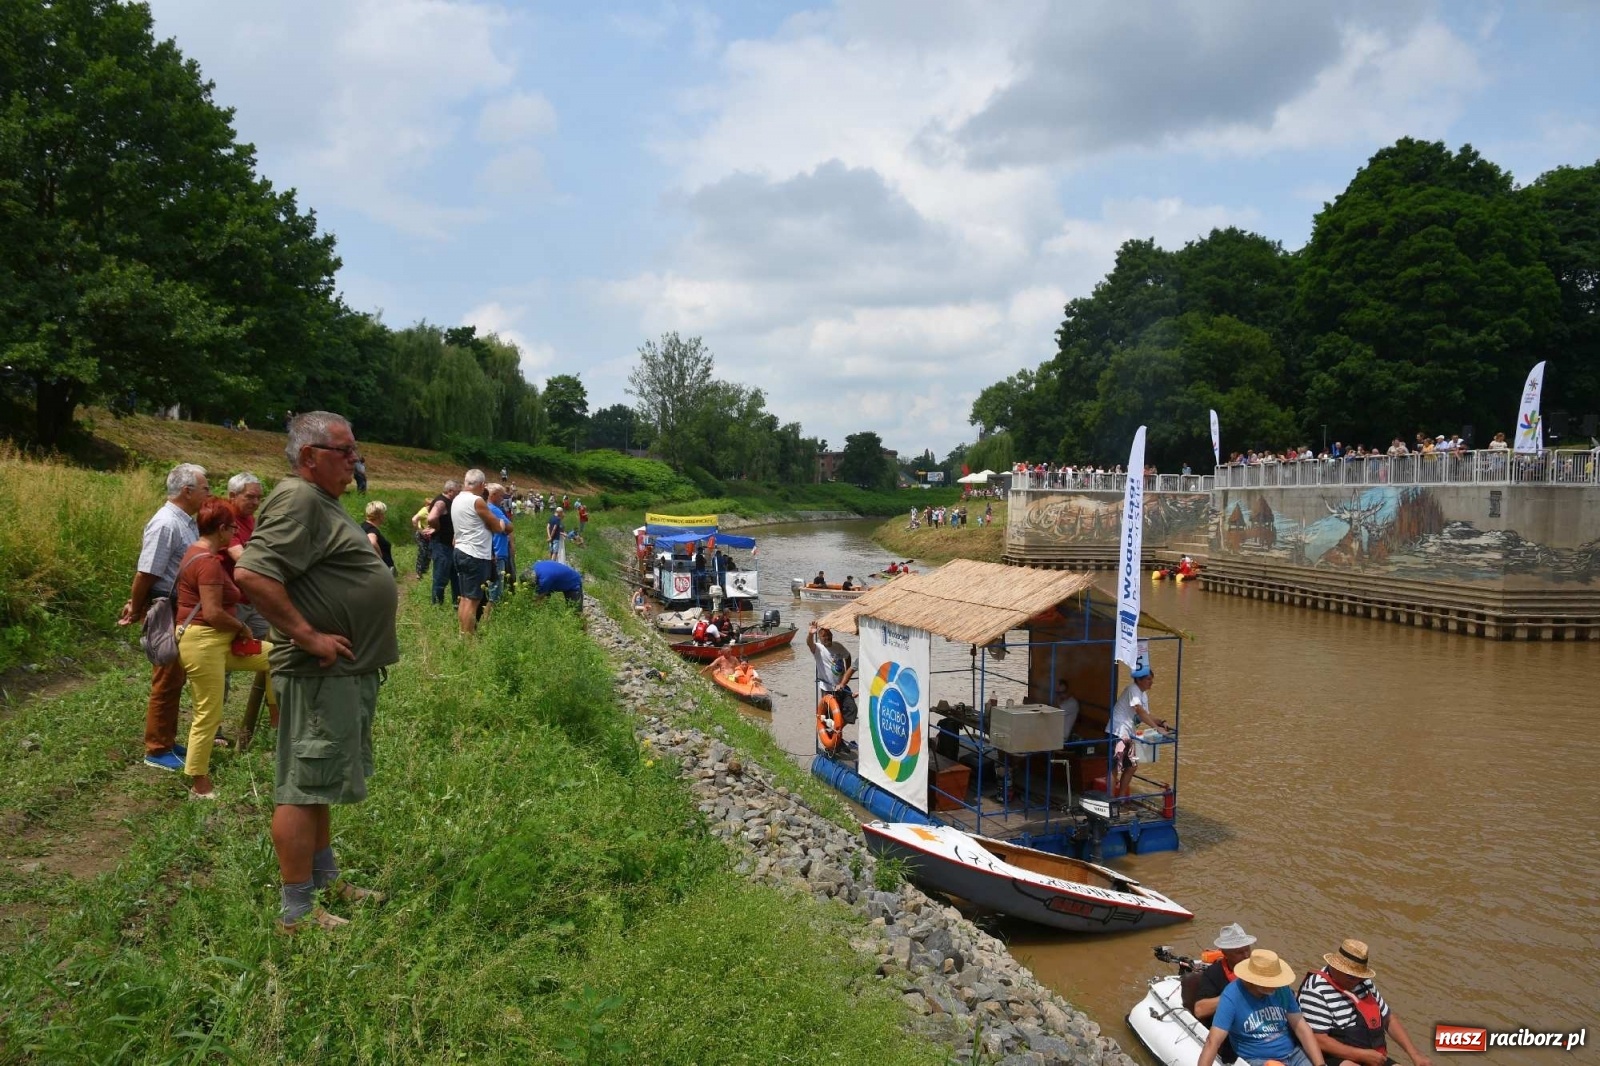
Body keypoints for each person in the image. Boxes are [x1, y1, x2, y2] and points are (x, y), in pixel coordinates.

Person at [236, 412, 398, 933]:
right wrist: (308, 635)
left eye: (356, 450)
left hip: (340, 677)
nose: (356, 460)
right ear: (310, 457)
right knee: (301, 787)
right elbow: (253, 573)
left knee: (320, 784)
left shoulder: (321, 502)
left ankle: (325, 879)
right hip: (317, 674)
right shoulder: (299, 498)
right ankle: (298, 911)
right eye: (345, 451)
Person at [175, 499, 277, 800]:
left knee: (275, 656)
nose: (236, 532)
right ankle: (198, 780)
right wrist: (242, 628)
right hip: (204, 641)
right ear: (221, 529)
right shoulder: (206, 562)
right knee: (208, 711)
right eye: (233, 528)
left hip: (216, 641)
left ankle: (277, 721)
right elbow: (214, 612)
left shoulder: (203, 554)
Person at [119, 463, 209, 772]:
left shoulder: (186, 522)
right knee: (166, 678)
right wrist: (135, 605)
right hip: (167, 608)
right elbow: (147, 572)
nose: (208, 493)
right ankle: (156, 749)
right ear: (187, 491)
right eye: (205, 488)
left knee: (176, 677)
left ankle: (168, 741)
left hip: (182, 608)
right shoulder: (165, 524)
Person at [1298, 939, 1433, 1066]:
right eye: (1351, 976)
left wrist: (1415, 1054)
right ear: (1336, 967)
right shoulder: (1316, 989)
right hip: (1334, 1056)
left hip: (1369, 1053)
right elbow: (1319, 1040)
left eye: (1360, 976)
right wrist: (1361, 1055)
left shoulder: (1364, 984)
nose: (1356, 981)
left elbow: (1388, 1019)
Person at [1196, 949, 1328, 1066]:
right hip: (1258, 1059)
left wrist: (1320, 1064)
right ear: (1252, 979)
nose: (1274, 986)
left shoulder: (1281, 989)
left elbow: (1301, 1028)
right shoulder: (1232, 996)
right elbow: (1213, 1041)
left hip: (1293, 1054)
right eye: (1269, 982)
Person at [225, 472, 273, 747]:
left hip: (251, 600)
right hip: (232, 603)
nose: (255, 501)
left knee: (275, 640)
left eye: (258, 497)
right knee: (223, 663)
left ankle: (273, 707)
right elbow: (240, 558)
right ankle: (216, 729)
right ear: (233, 496)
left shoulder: (250, 520)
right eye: (249, 497)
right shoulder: (226, 521)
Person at [1186, 924, 1260, 1064]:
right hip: (1230, 1035)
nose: (1246, 956)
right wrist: (1236, 992)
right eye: (1239, 952)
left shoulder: (1256, 968)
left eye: (1247, 949)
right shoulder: (1214, 973)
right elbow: (1200, 1010)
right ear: (1225, 953)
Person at [450, 469, 510, 635]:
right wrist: (502, 524)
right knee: (473, 600)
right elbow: (498, 527)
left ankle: (463, 633)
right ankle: (468, 639)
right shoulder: (477, 501)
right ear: (482, 485)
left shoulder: (457, 499)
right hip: (475, 554)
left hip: (460, 550)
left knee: (464, 597)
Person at [1108, 662, 1171, 798]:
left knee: (1132, 766)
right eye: (1148, 679)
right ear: (1139, 680)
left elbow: (1145, 715)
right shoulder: (1133, 690)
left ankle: (1122, 799)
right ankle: (1109, 801)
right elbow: (1139, 711)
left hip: (1127, 733)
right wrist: (1157, 728)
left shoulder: (1143, 695)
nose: (1151, 682)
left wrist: (1161, 722)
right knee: (1114, 768)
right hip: (1117, 732)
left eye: (1151, 679)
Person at [425, 480, 461, 606]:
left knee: (455, 576)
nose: (459, 493)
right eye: (457, 491)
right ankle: (436, 605)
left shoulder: (450, 502)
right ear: (450, 491)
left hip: (450, 545)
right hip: (441, 545)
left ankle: (457, 603)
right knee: (441, 576)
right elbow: (431, 517)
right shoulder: (441, 502)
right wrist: (437, 527)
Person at [485, 483, 513, 605]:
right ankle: (490, 618)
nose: (502, 500)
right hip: (498, 552)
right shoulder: (493, 509)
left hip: (491, 551)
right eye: (501, 496)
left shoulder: (486, 508)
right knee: (495, 588)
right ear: (494, 495)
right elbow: (509, 527)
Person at [361, 501, 395, 573]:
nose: (384, 516)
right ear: (379, 515)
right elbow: (372, 542)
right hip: (380, 571)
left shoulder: (364, 525)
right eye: (383, 514)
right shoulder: (372, 530)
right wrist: (380, 558)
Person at [410, 501, 433, 579]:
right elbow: (414, 519)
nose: (431, 506)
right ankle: (419, 573)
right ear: (427, 505)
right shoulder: (424, 511)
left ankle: (424, 571)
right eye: (430, 505)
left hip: (429, 536)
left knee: (429, 554)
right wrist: (420, 530)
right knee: (423, 552)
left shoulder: (433, 511)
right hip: (421, 536)